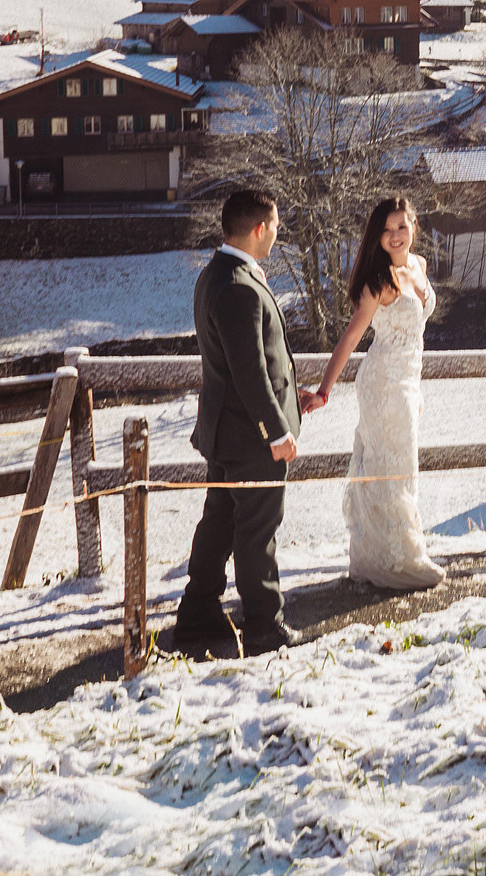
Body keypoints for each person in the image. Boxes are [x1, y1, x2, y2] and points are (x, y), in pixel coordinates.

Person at [166, 188, 312, 660]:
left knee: (221, 522)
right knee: (256, 529)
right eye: (276, 226)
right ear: (259, 229)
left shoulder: (216, 274)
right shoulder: (238, 286)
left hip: (228, 431)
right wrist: (278, 431)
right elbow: (249, 373)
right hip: (251, 437)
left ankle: (198, 613)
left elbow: (250, 364)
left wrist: (290, 398)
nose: (277, 234)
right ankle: (264, 626)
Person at [305, 197, 444, 592]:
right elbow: (350, 338)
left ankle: (384, 557)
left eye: (401, 226)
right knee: (391, 468)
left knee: (402, 466)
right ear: (377, 237)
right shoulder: (378, 282)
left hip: (408, 380)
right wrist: (324, 391)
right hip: (383, 383)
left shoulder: (419, 266)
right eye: (386, 230)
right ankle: (399, 562)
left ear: (414, 226)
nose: (395, 236)